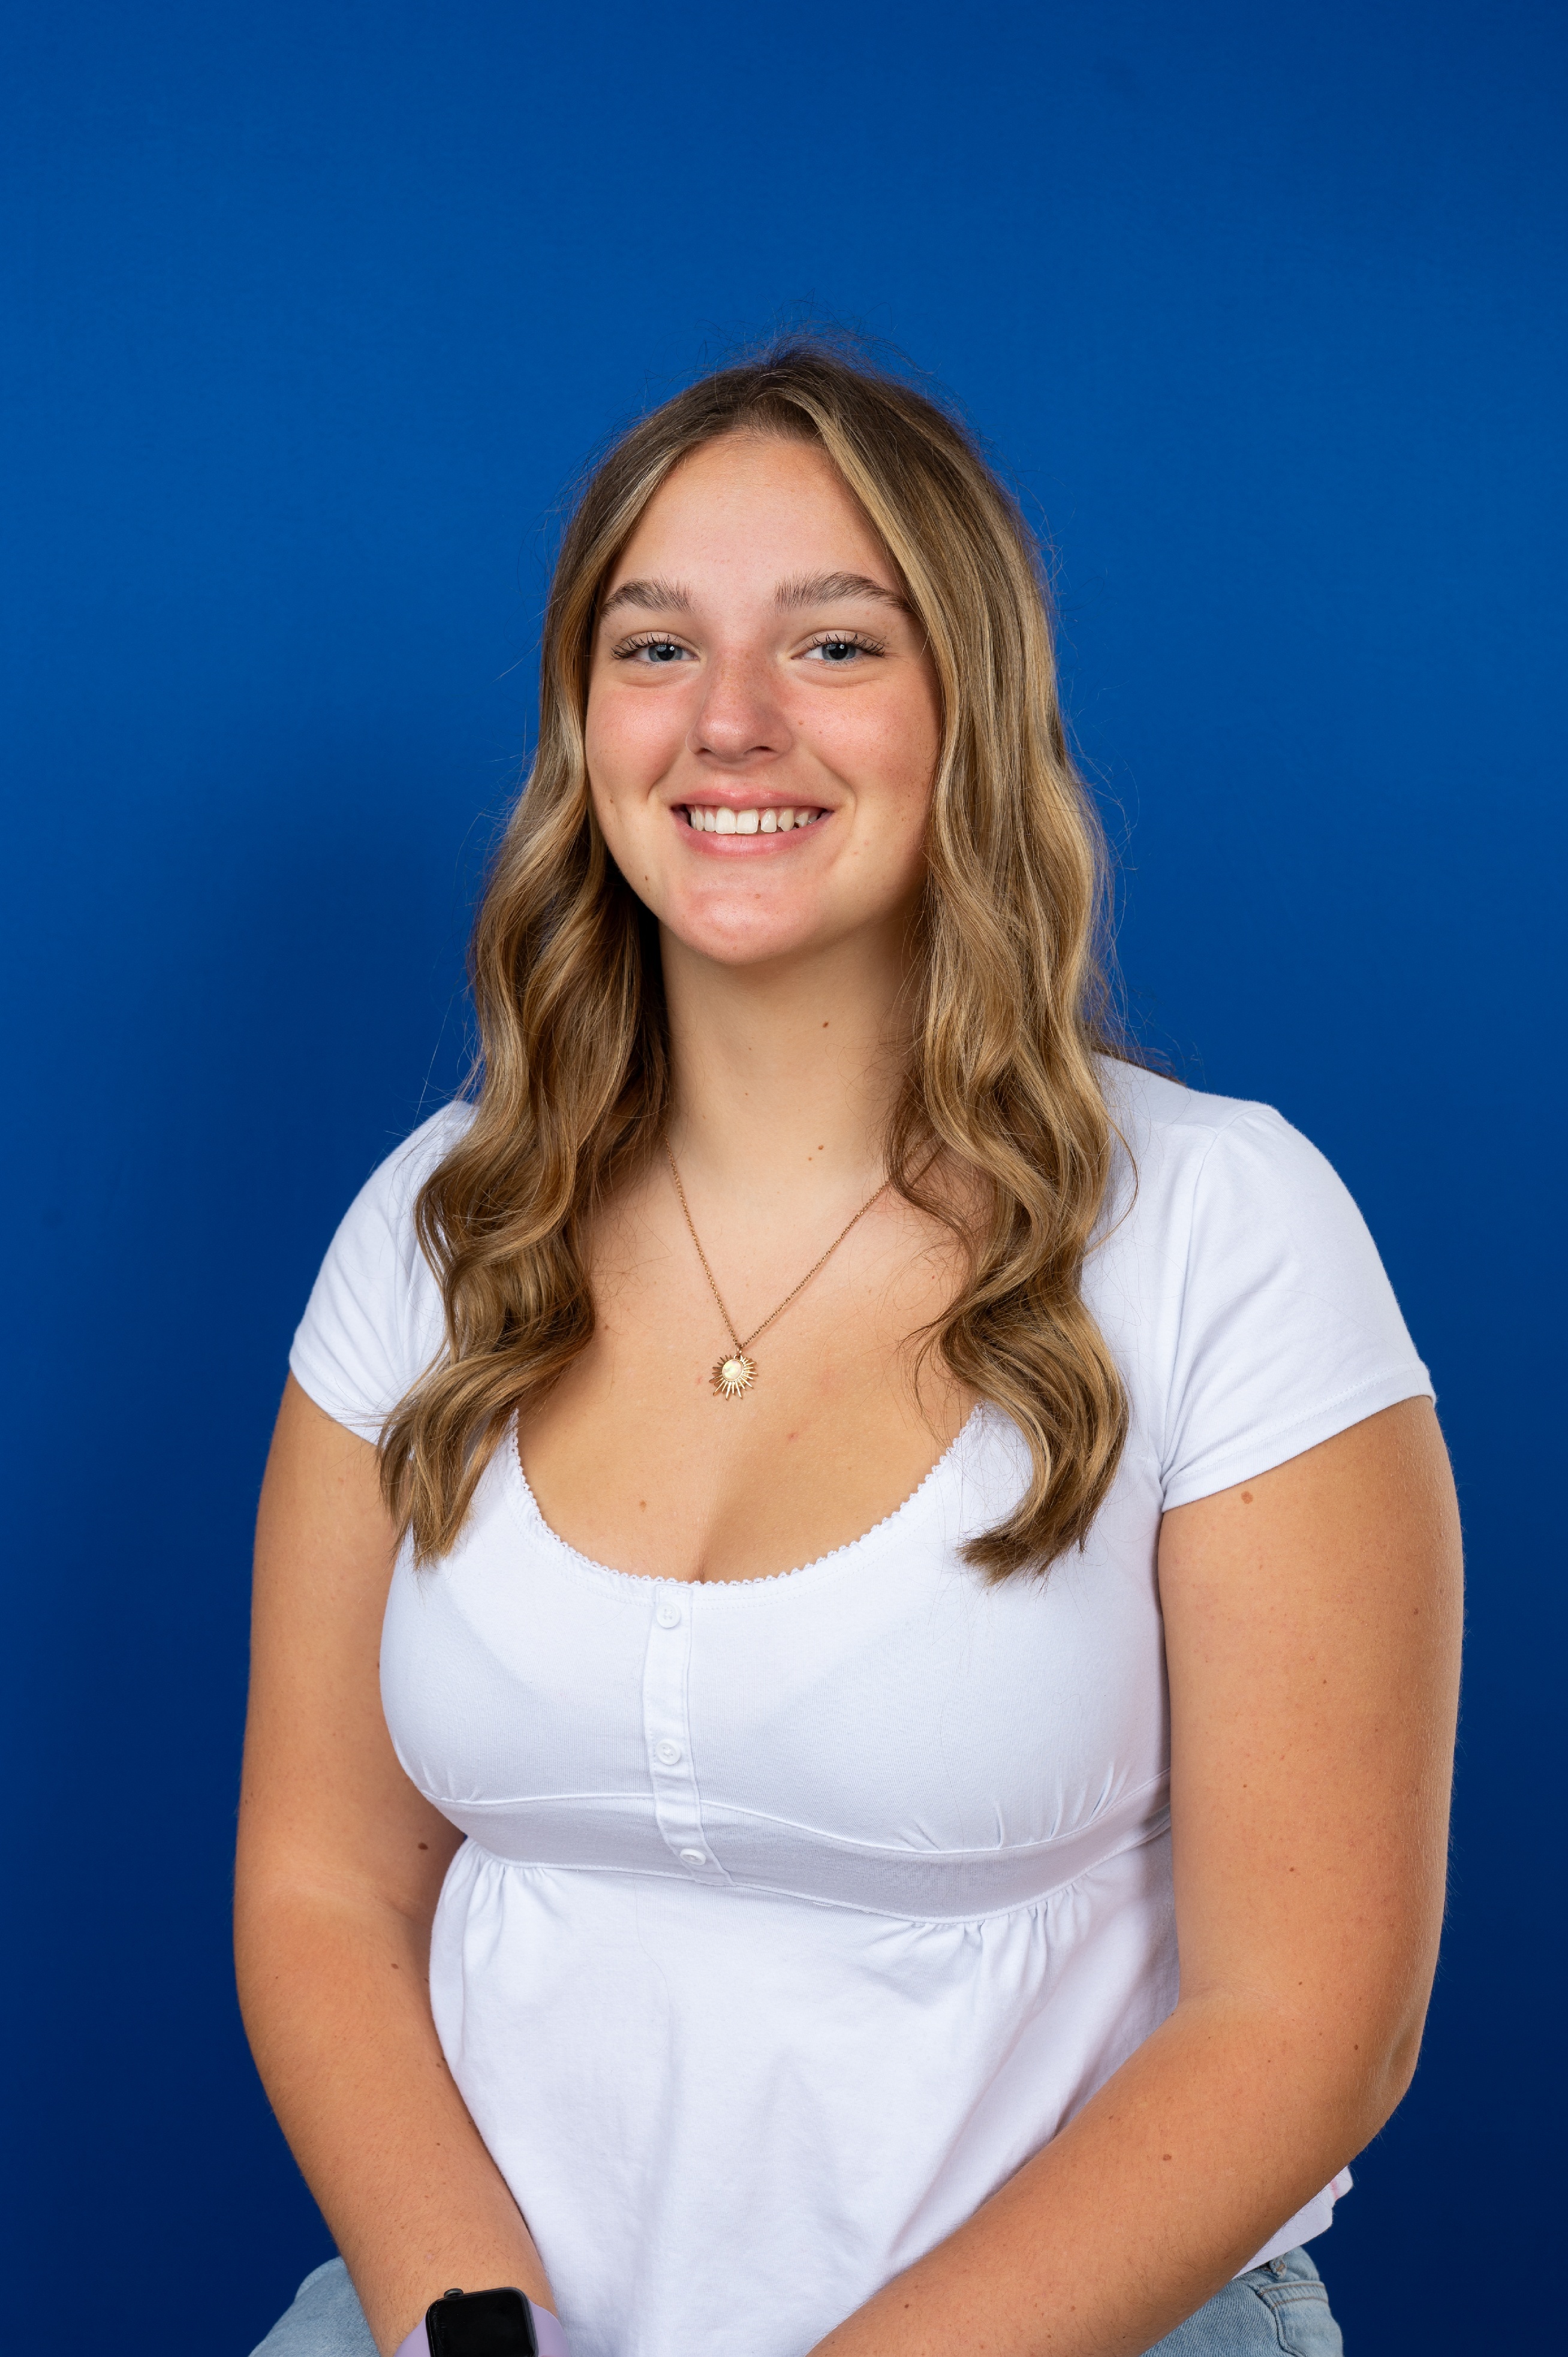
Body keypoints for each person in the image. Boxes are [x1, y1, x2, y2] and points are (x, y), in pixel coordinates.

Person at [237, 344, 1462, 2357]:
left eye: (832, 643)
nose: (731, 718)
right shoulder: (438, 1227)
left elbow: (1311, 2021)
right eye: (657, 645)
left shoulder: (1223, 1232)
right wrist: (471, 2325)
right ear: (583, 724)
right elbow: (320, 1886)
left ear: (969, 711)